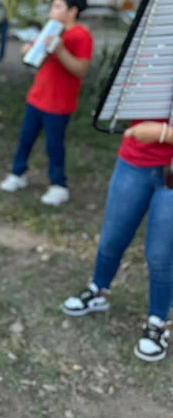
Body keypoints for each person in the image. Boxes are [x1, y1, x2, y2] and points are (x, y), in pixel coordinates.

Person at [62, 120, 172, 362]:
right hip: (134, 160)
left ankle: (158, 322)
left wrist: (164, 134)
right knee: (112, 237)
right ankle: (98, 290)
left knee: (161, 255)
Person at [0, 0, 93, 206]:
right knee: (25, 139)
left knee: (54, 145)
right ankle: (17, 174)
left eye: (58, 6)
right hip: (37, 97)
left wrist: (60, 50)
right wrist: (27, 50)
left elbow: (82, 69)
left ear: (72, 11)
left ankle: (58, 185)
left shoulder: (81, 35)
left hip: (59, 103)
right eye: (53, 6)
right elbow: (31, 54)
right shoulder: (50, 28)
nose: (53, 10)